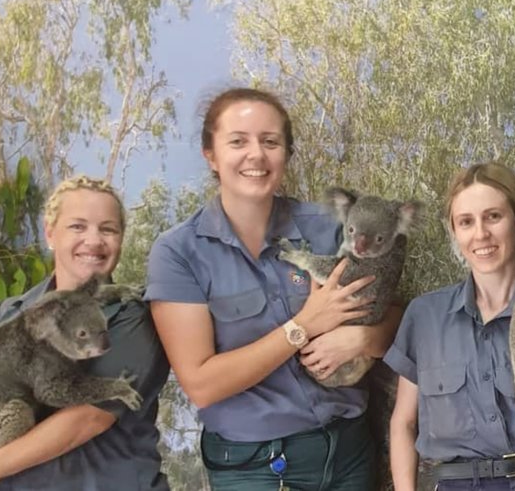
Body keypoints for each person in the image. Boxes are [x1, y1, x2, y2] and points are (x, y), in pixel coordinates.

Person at [145, 87, 401, 490]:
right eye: (238, 141)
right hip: (256, 467)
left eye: (270, 142)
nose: (256, 155)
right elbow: (202, 384)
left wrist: (364, 338)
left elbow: (395, 315)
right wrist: (302, 325)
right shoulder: (178, 253)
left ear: (287, 153)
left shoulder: (330, 227)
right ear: (209, 154)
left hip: (350, 451)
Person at [0, 175, 170, 491]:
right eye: (77, 227)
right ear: (50, 232)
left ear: (121, 239)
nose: (94, 240)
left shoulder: (136, 316)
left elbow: (84, 421)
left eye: (108, 229)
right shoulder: (8, 314)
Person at [385, 162, 515, 491]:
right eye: (466, 222)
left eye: (493, 216)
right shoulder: (424, 316)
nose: (480, 233)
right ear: (454, 232)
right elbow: (404, 422)